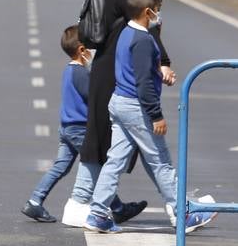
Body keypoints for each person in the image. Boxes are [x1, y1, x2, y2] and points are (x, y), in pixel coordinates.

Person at [85, 0, 213, 234]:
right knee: (161, 162)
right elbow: (142, 82)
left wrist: (158, 72)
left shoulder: (126, 32)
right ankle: (182, 212)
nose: (158, 16)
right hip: (137, 107)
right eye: (157, 11)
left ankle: (99, 213)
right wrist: (156, 115)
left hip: (120, 101)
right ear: (147, 12)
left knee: (115, 160)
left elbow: (136, 70)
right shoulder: (143, 40)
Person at [69, 0, 173, 219]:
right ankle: (82, 203)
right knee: (117, 142)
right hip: (114, 74)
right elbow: (147, 27)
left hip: (110, 69)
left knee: (113, 144)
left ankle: (99, 206)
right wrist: (163, 61)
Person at [24, 26, 147, 225]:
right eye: (92, 47)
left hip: (67, 127)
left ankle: (35, 200)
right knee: (98, 165)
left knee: (61, 167)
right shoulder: (81, 74)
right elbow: (95, 99)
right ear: (82, 50)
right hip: (80, 128)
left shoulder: (69, 69)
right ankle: (118, 208)